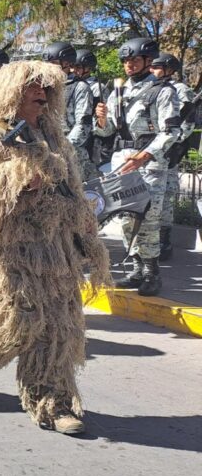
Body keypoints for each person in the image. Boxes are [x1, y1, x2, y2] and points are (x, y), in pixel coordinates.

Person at [0, 61, 110, 436]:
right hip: (11, 247)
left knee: (58, 327)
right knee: (17, 321)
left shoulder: (56, 140)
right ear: (10, 92)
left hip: (55, 250)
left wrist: (85, 226)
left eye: (48, 89)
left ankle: (52, 403)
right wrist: (16, 178)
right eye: (33, 87)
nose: (42, 93)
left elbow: (72, 187)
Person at [94, 37, 180, 296]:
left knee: (149, 219)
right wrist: (101, 119)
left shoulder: (163, 91)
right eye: (125, 60)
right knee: (126, 219)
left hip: (149, 164)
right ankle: (136, 269)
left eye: (134, 60)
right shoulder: (118, 91)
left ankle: (152, 273)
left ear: (147, 60)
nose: (128, 65)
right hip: (123, 160)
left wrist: (145, 155)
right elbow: (108, 131)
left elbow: (171, 132)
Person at [147, 52, 195, 261]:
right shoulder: (151, 89)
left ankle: (164, 241)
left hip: (170, 152)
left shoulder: (181, 90)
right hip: (152, 151)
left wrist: (174, 144)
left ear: (169, 69)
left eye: (157, 67)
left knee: (165, 198)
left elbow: (187, 122)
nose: (152, 71)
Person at [44, 41, 96, 181]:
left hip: (73, 153)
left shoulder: (80, 87)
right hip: (49, 151)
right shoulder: (46, 88)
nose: (49, 67)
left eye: (54, 62)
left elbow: (83, 125)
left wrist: (63, 147)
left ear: (67, 63)